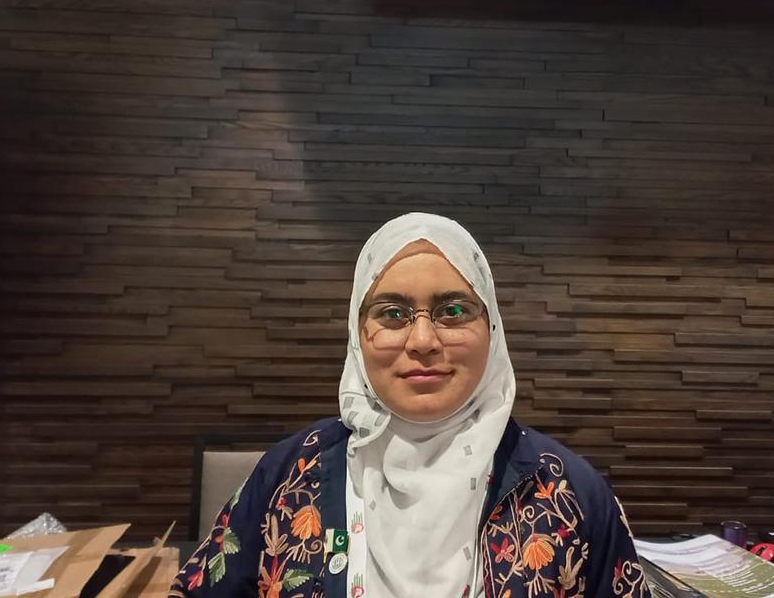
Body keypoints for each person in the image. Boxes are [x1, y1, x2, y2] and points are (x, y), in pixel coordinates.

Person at [169, 213, 649, 597]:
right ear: (358, 336)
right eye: (393, 314)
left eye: (454, 310)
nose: (423, 340)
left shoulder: (569, 495)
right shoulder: (289, 476)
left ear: (493, 330)